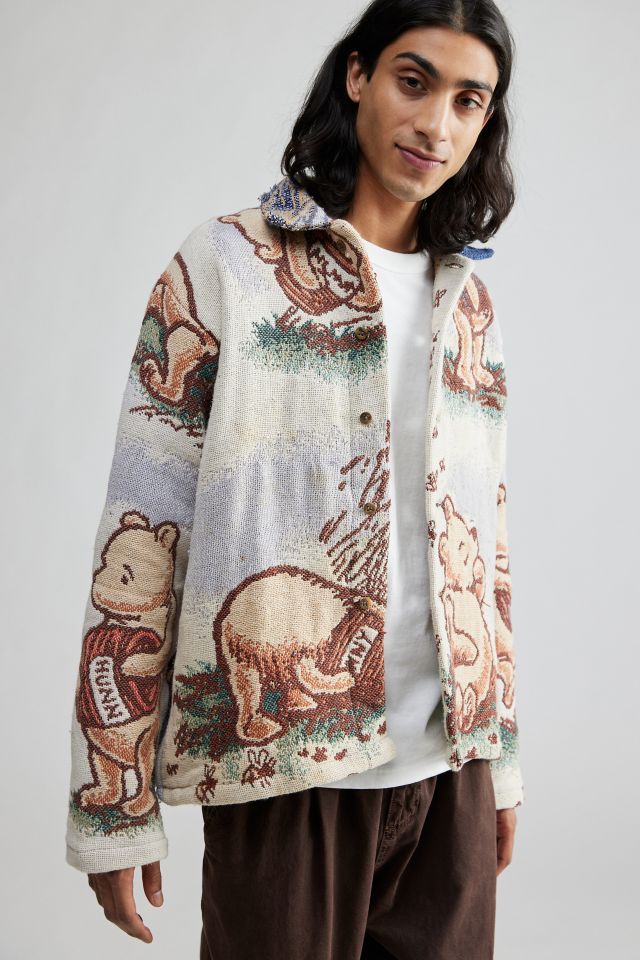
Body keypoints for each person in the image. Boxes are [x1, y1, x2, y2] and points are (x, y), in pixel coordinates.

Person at [65, 0, 524, 956]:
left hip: (449, 772)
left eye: (468, 100)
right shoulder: (224, 266)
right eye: (413, 81)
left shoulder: (467, 303)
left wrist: (500, 759)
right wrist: (111, 804)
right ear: (357, 76)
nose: (436, 124)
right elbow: (142, 533)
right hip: (284, 773)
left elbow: (486, 549)